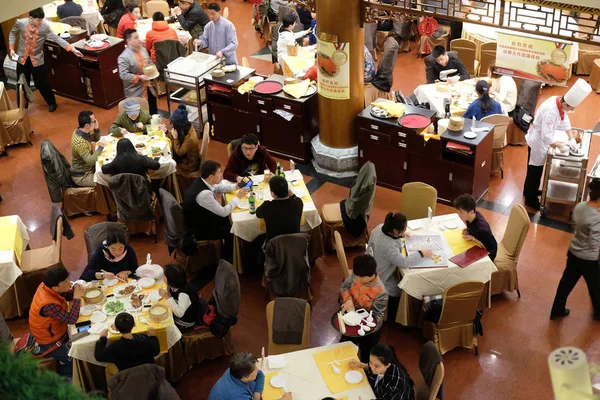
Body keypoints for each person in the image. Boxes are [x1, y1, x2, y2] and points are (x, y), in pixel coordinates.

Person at [523, 79, 591, 209]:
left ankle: (529, 191)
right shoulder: (551, 111)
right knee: (535, 171)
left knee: (535, 171)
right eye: (570, 108)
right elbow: (546, 137)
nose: (570, 110)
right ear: (565, 103)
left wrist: (571, 138)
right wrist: (562, 146)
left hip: (540, 139)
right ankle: (530, 200)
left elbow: (565, 121)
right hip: (538, 142)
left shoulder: (558, 101)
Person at [9, 8, 84, 112]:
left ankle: (51, 102)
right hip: (22, 58)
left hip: (37, 59)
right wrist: (11, 48)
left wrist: (72, 49)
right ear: (31, 18)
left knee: (43, 83)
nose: (40, 22)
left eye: (41, 20)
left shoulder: (44, 27)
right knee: (21, 83)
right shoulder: (20, 23)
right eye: (38, 20)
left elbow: (57, 39)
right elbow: (12, 33)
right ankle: (22, 105)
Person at [367, 212, 433, 322]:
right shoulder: (389, 247)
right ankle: (392, 318)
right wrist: (421, 253)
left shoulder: (380, 227)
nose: (405, 230)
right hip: (379, 278)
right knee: (400, 290)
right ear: (395, 231)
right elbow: (403, 262)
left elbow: (384, 238)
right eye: (403, 229)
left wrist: (400, 235)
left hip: (369, 266)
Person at [550, 179, 600, 321]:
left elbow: (573, 223)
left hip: (573, 252)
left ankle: (557, 309)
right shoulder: (597, 217)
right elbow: (594, 242)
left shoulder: (580, 206)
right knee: (595, 286)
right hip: (588, 258)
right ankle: (598, 312)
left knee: (566, 283)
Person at [182, 160, 249, 262]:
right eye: (219, 172)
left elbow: (217, 188)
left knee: (231, 220)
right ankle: (230, 260)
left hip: (202, 218)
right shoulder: (204, 195)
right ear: (211, 176)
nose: (221, 175)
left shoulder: (202, 180)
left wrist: (236, 186)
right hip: (201, 229)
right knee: (232, 230)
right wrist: (239, 197)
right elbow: (223, 212)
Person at [29, 267, 84, 377]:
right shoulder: (47, 305)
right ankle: (60, 377)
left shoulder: (48, 286)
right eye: (65, 281)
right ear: (55, 288)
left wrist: (73, 290)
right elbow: (72, 319)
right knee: (78, 359)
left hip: (59, 331)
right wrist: (77, 298)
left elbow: (65, 295)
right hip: (51, 342)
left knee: (83, 337)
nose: (69, 283)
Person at [340, 255, 389, 362]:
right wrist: (348, 300)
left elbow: (377, 317)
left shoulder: (380, 292)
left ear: (369, 275)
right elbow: (344, 287)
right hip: (351, 320)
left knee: (366, 356)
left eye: (360, 277)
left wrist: (359, 321)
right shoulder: (357, 274)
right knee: (342, 350)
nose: (357, 279)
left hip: (368, 330)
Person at [209, 352, 292, 400]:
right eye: (254, 370)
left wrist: (257, 393)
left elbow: (259, 375)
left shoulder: (234, 370)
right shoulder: (238, 395)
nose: (257, 370)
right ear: (245, 377)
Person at [94, 312, 160, 371]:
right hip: (149, 374)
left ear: (116, 329)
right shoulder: (144, 340)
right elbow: (156, 351)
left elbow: (99, 356)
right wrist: (152, 336)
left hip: (129, 379)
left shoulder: (115, 347)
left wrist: (103, 338)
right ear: (134, 324)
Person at [348, 344, 415, 400]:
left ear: (387, 365)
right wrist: (361, 365)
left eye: (376, 366)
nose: (372, 368)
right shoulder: (382, 366)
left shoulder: (394, 383)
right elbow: (372, 366)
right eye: (370, 362)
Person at [118, 28, 158, 115]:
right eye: (136, 38)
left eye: (138, 37)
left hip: (148, 86)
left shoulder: (142, 49)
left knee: (153, 112)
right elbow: (123, 74)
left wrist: (152, 69)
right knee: (140, 116)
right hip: (135, 91)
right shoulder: (124, 57)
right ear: (129, 41)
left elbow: (149, 62)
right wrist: (139, 77)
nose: (138, 39)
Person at [256, 175, 303, 243]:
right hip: (294, 245)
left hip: (274, 247)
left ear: (272, 193)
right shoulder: (298, 203)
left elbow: (258, 213)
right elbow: (294, 197)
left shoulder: (267, 206)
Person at [454, 194, 497, 261]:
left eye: (461, 213)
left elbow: (487, 248)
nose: (459, 215)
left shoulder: (482, 229)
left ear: (471, 212)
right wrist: (468, 230)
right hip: (478, 243)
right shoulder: (472, 216)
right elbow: (473, 228)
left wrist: (473, 238)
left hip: (489, 253)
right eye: (458, 211)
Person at [71, 110, 107, 187]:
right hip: (82, 176)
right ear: (87, 125)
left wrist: (96, 129)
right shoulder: (80, 142)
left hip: (88, 169)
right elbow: (90, 161)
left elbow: (96, 140)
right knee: (106, 182)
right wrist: (100, 147)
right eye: (94, 121)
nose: (96, 122)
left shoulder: (81, 131)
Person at [159, 264, 200, 331]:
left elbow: (179, 313)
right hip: (179, 310)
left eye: (164, 275)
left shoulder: (184, 294)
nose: (162, 277)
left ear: (171, 279)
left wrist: (167, 297)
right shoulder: (176, 284)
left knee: (162, 324)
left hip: (185, 322)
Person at [164, 104, 201, 178]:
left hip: (188, 165)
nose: (172, 126)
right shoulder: (186, 128)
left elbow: (179, 152)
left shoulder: (190, 138)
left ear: (179, 126)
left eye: (174, 125)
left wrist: (175, 138)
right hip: (186, 159)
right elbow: (176, 135)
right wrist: (166, 132)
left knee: (165, 163)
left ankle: (170, 183)